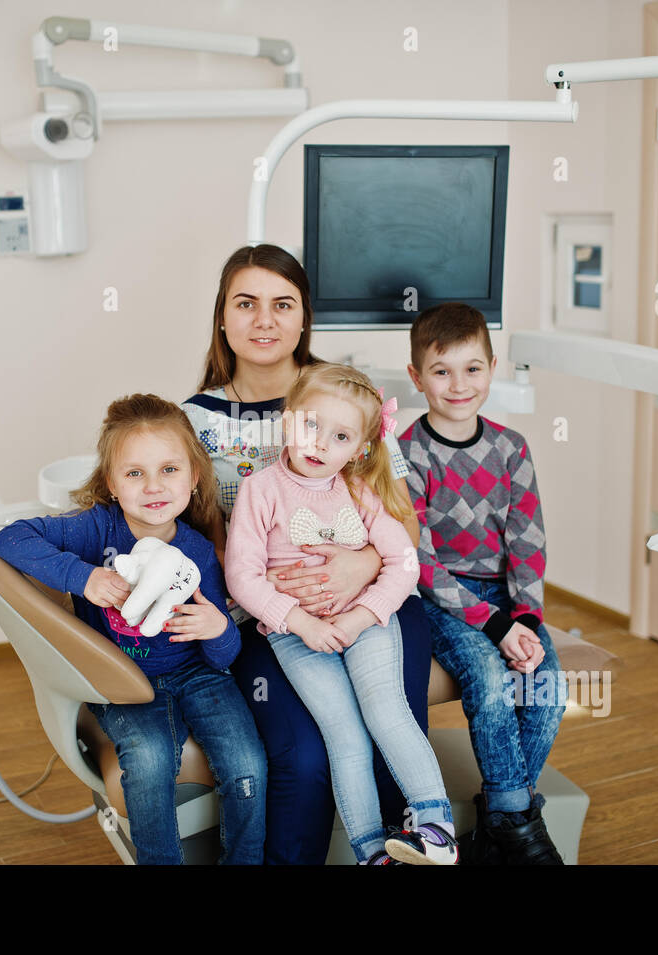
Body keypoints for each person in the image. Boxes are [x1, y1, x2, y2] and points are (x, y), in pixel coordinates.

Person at [181, 243, 437, 864]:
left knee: (387, 723)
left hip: (376, 603)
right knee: (304, 756)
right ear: (223, 317)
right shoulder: (193, 423)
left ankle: (418, 842)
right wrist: (286, 602)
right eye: (246, 303)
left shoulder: (351, 398)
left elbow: (403, 519)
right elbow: (195, 545)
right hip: (268, 621)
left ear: (304, 319)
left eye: (282, 304)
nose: (264, 320)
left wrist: (363, 564)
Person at [0, 394, 266, 865]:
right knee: (150, 759)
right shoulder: (97, 531)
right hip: (122, 679)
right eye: (135, 473)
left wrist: (217, 627)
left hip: (197, 675)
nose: (153, 486)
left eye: (169, 470)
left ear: (194, 478)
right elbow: (9, 538)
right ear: (112, 484)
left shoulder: (198, 552)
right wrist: (85, 576)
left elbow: (224, 657)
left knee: (248, 765)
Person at [225, 363, 458, 865]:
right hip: (295, 636)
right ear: (287, 420)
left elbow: (404, 563)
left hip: (365, 622)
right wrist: (300, 621)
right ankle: (374, 851)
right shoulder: (259, 490)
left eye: (341, 436)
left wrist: (359, 617)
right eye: (310, 425)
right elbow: (242, 577)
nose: (320, 444)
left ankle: (437, 828)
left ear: (359, 448)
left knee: (385, 711)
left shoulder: (359, 491)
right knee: (344, 736)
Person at [399, 301, 567, 864]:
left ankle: (503, 821)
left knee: (546, 689)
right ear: (417, 377)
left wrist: (524, 618)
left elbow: (528, 543)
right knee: (492, 683)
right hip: (441, 602)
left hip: (507, 600)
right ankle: (516, 827)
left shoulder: (511, 448)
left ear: (492, 369)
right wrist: (493, 625)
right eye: (441, 371)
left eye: (472, 368)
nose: (458, 384)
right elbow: (419, 562)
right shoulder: (406, 456)